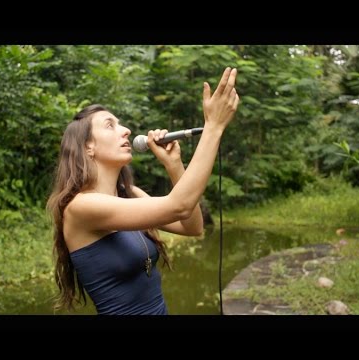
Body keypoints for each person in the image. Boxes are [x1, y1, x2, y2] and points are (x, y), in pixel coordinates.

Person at [46, 67, 239, 315]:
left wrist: (174, 166)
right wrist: (213, 128)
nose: (125, 129)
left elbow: (192, 226)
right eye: (110, 125)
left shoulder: (131, 193)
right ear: (88, 147)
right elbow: (178, 205)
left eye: (120, 123)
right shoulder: (81, 207)